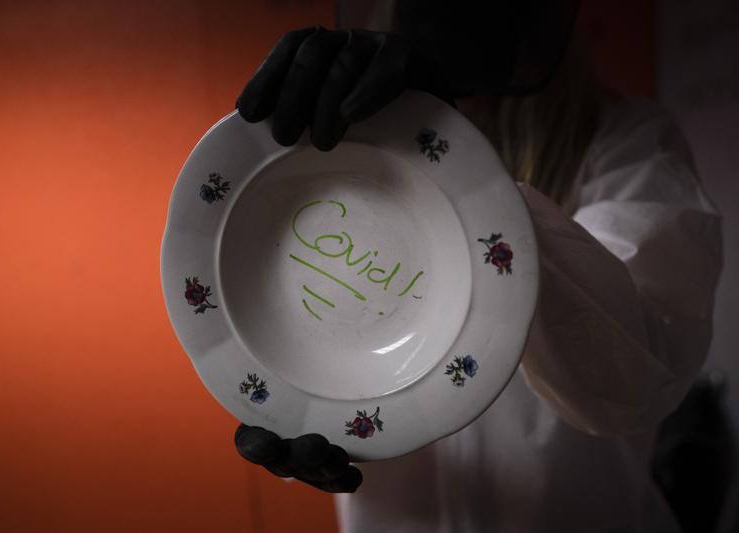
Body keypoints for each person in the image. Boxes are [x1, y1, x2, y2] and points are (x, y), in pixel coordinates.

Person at [232, 1, 724, 531]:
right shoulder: (348, 149)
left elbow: (631, 378)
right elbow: (324, 325)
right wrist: (300, 408)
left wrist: (464, 178)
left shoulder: (628, 144)